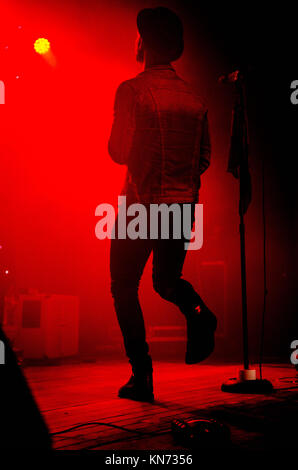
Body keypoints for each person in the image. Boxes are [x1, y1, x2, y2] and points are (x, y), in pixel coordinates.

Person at [108, 7, 217, 402]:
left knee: (123, 286)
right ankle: (199, 311)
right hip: (183, 204)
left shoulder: (132, 89)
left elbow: (118, 152)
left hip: (141, 205)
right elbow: (205, 158)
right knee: (166, 283)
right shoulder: (195, 98)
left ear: (145, 42)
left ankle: (142, 376)